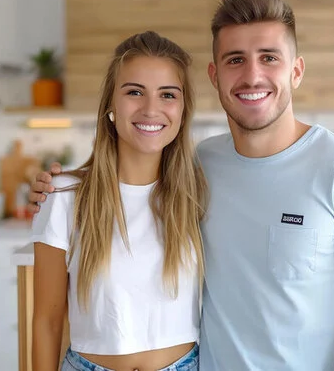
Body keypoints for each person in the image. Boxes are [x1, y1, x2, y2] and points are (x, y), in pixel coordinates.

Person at [29, 0, 334, 371]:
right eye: (235, 60)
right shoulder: (198, 168)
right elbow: (129, 179)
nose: (252, 75)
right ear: (215, 75)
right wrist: (56, 187)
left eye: (269, 58)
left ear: (296, 70)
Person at [30, 30, 207, 371]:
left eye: (168, 94)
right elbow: (46, 322)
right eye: (134, 92)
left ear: (183, 110)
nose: (151, 109)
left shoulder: (199, 195)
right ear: (111, 103)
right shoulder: (63, 197)